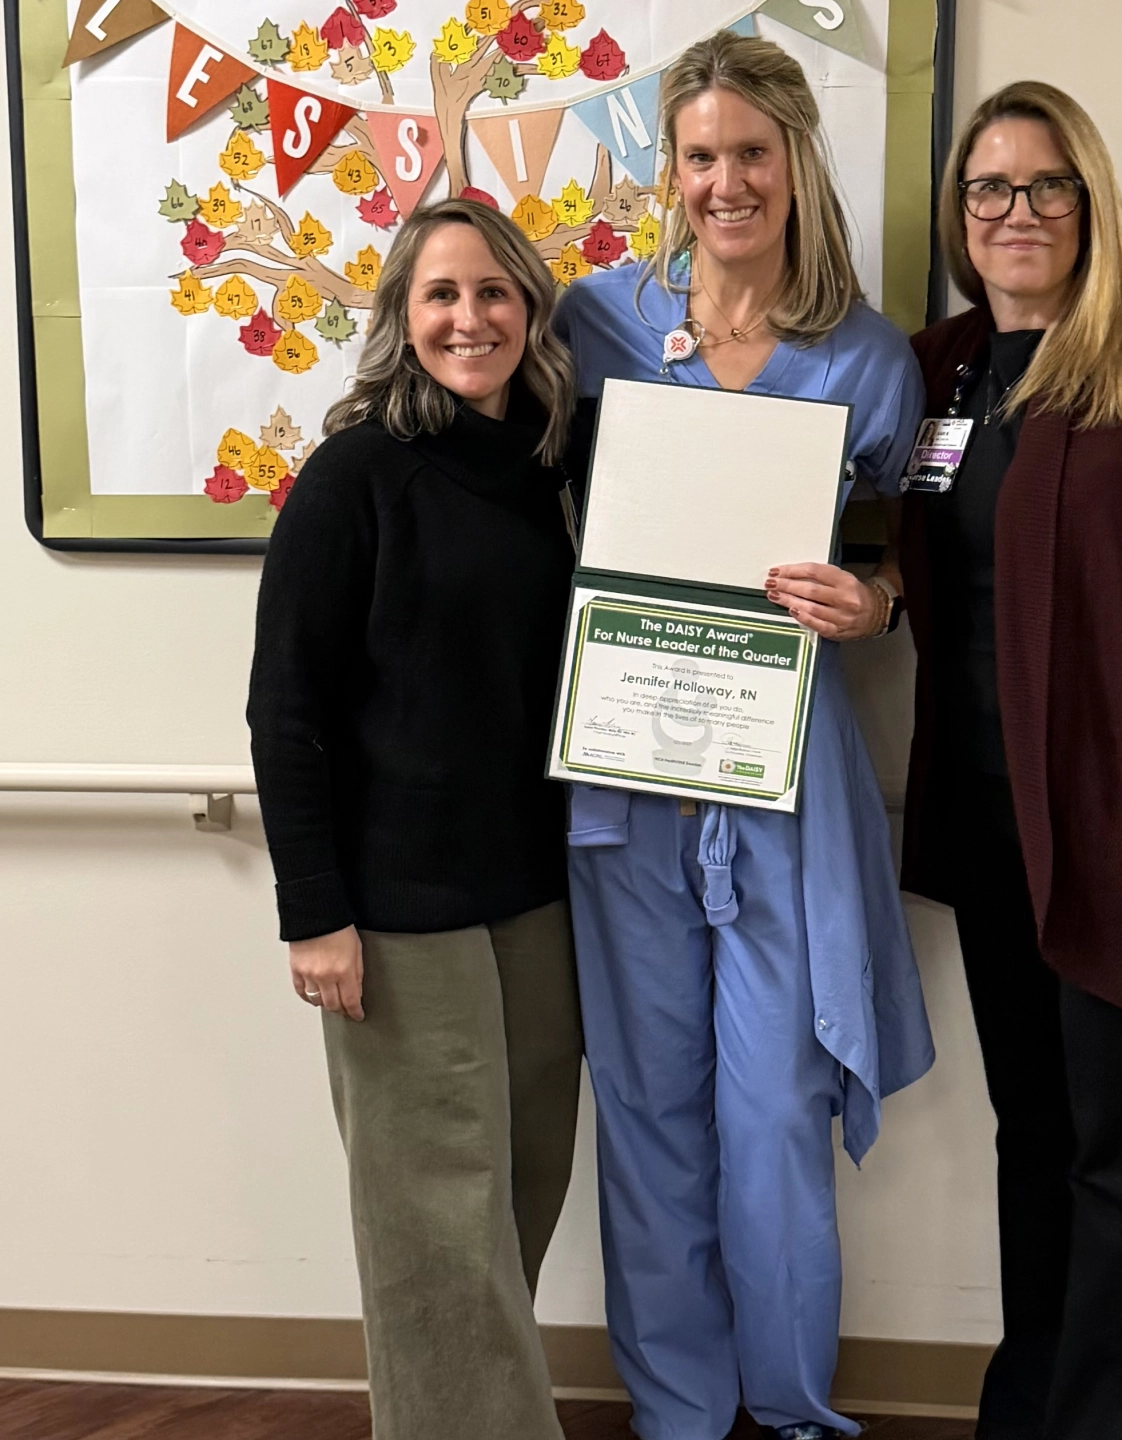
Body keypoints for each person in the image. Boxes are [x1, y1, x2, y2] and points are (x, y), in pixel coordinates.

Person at [554, 31, 934, 1440]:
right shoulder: (591, 321)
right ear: (670, 165)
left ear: (795, 161)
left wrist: (875, 597)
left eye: (751, 154)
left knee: (773, 1113)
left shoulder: (866, 357)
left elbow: (909, 550)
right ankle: (677, 1412)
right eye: (700, 154)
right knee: (647, 1111)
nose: (726, 181)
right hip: (629, 772)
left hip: (784, 777)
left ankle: (785, 1408)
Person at [899, 82, 1122, 1440]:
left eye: (1047, 186)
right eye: (990, 189)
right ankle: (1032, 1405)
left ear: (1091, 204)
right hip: (992, 827)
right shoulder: (940, 373)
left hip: (1120, 842)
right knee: (1031, 1141)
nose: (1017, 213)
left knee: (1117, 1156)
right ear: (960, 216)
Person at [247, 198, 583, 1440]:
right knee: (435, 1227)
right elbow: (285, 708)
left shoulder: (553, 465)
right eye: (440, 295)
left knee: (518, 1196)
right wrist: (316, 915)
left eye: (495, 292)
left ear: (532, 312)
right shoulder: (352, 478)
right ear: (400, 317)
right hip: (397, 918)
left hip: (541, 900)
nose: (470, 318)